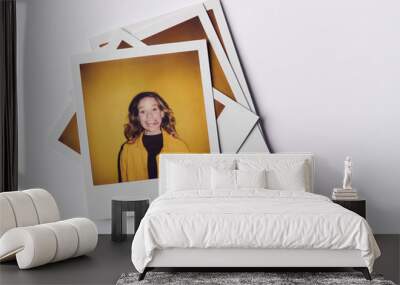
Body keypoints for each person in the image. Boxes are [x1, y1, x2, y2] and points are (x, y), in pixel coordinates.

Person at [119, 91, 189, 182]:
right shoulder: (127, 150)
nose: (149, 116)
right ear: (137, 117)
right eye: (143, 111)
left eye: (154, 109)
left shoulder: (180, 147)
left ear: (162, 113)